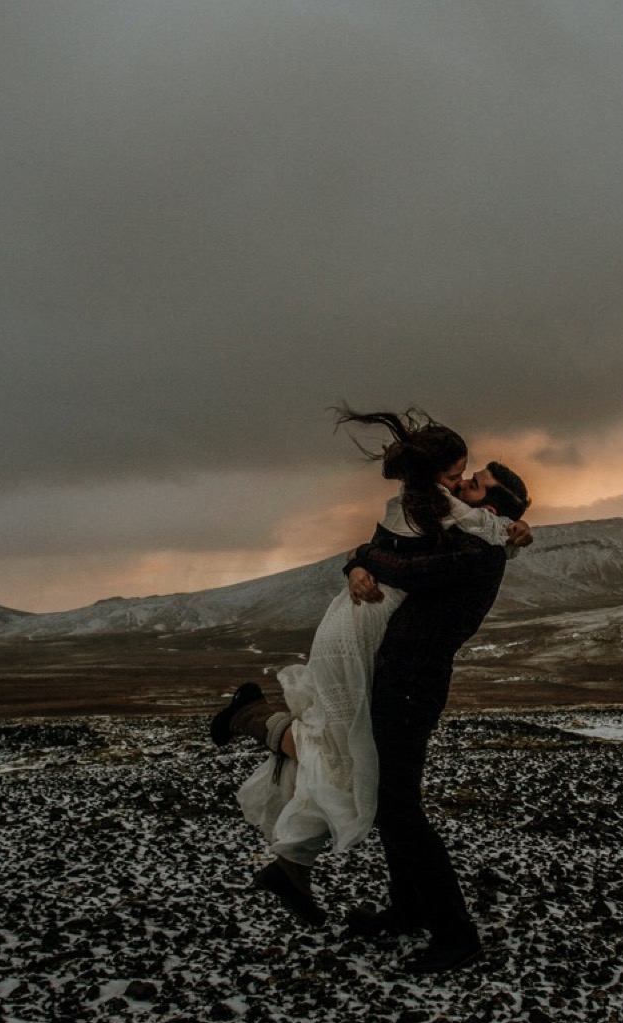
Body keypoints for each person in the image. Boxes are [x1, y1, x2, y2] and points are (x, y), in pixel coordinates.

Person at [211, 409, 529, 974]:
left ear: (494, 509)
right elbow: (390, 551)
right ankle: (407, 911)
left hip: (410, 689)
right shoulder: (461, 536)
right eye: (462, 476)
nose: (461, 486)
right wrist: (354, 562)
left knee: (400, 810)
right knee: (391, 805)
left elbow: (404, 569)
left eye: (474, 485)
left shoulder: (477, 551)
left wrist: (362, 561)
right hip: (396, 680)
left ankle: (456, 937)